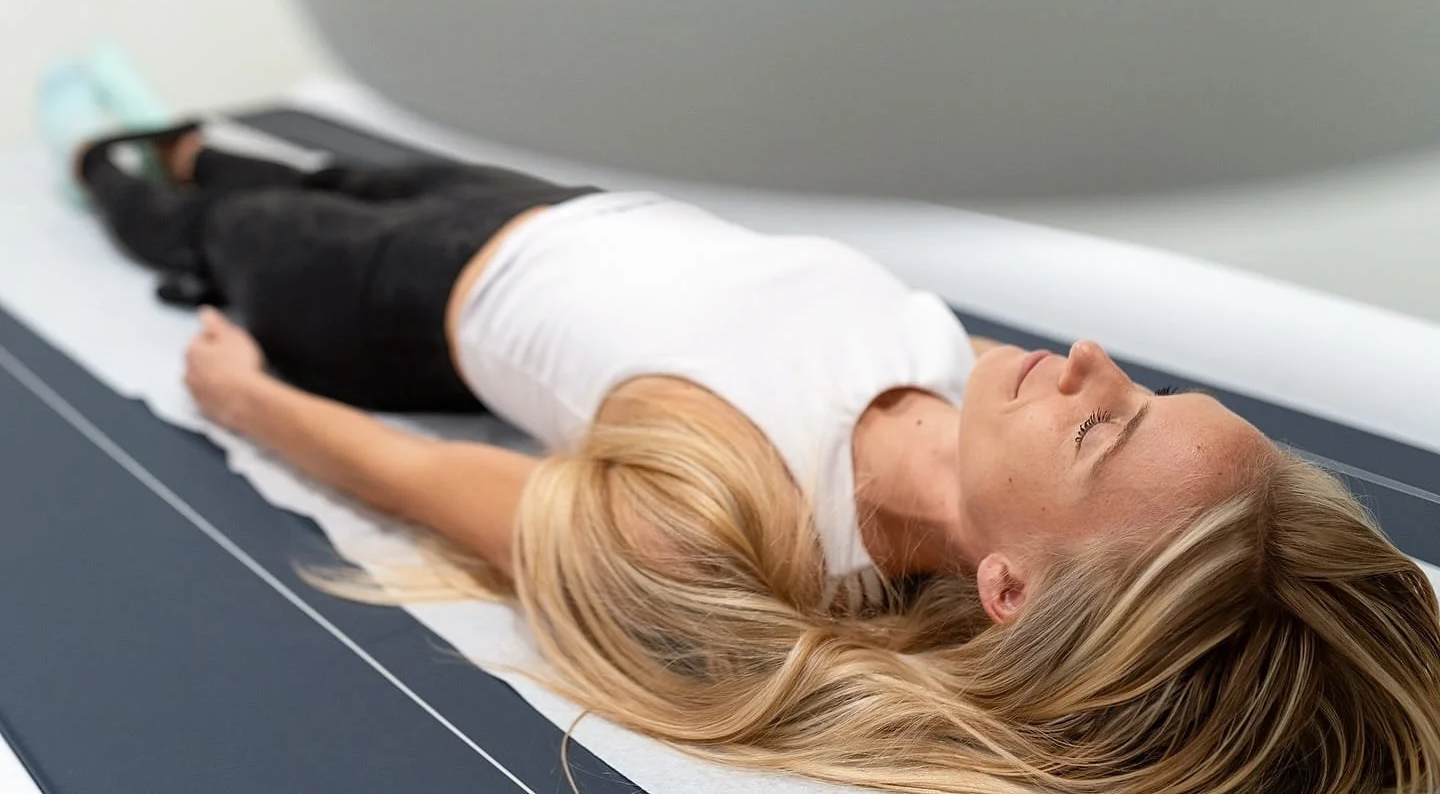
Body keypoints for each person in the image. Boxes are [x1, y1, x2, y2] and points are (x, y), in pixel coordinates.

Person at [74, 121, 1440, 794]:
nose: (1086, 357)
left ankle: (128, 169)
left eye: (1101, 427)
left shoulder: (747, 517)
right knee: (267, 156)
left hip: (391, 296)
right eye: (1140, 389)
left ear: (1013, 586)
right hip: (567, 214)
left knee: (217, 219)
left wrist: (256, 402)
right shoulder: (964, 393)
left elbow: (468, 496)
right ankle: (197, 140)